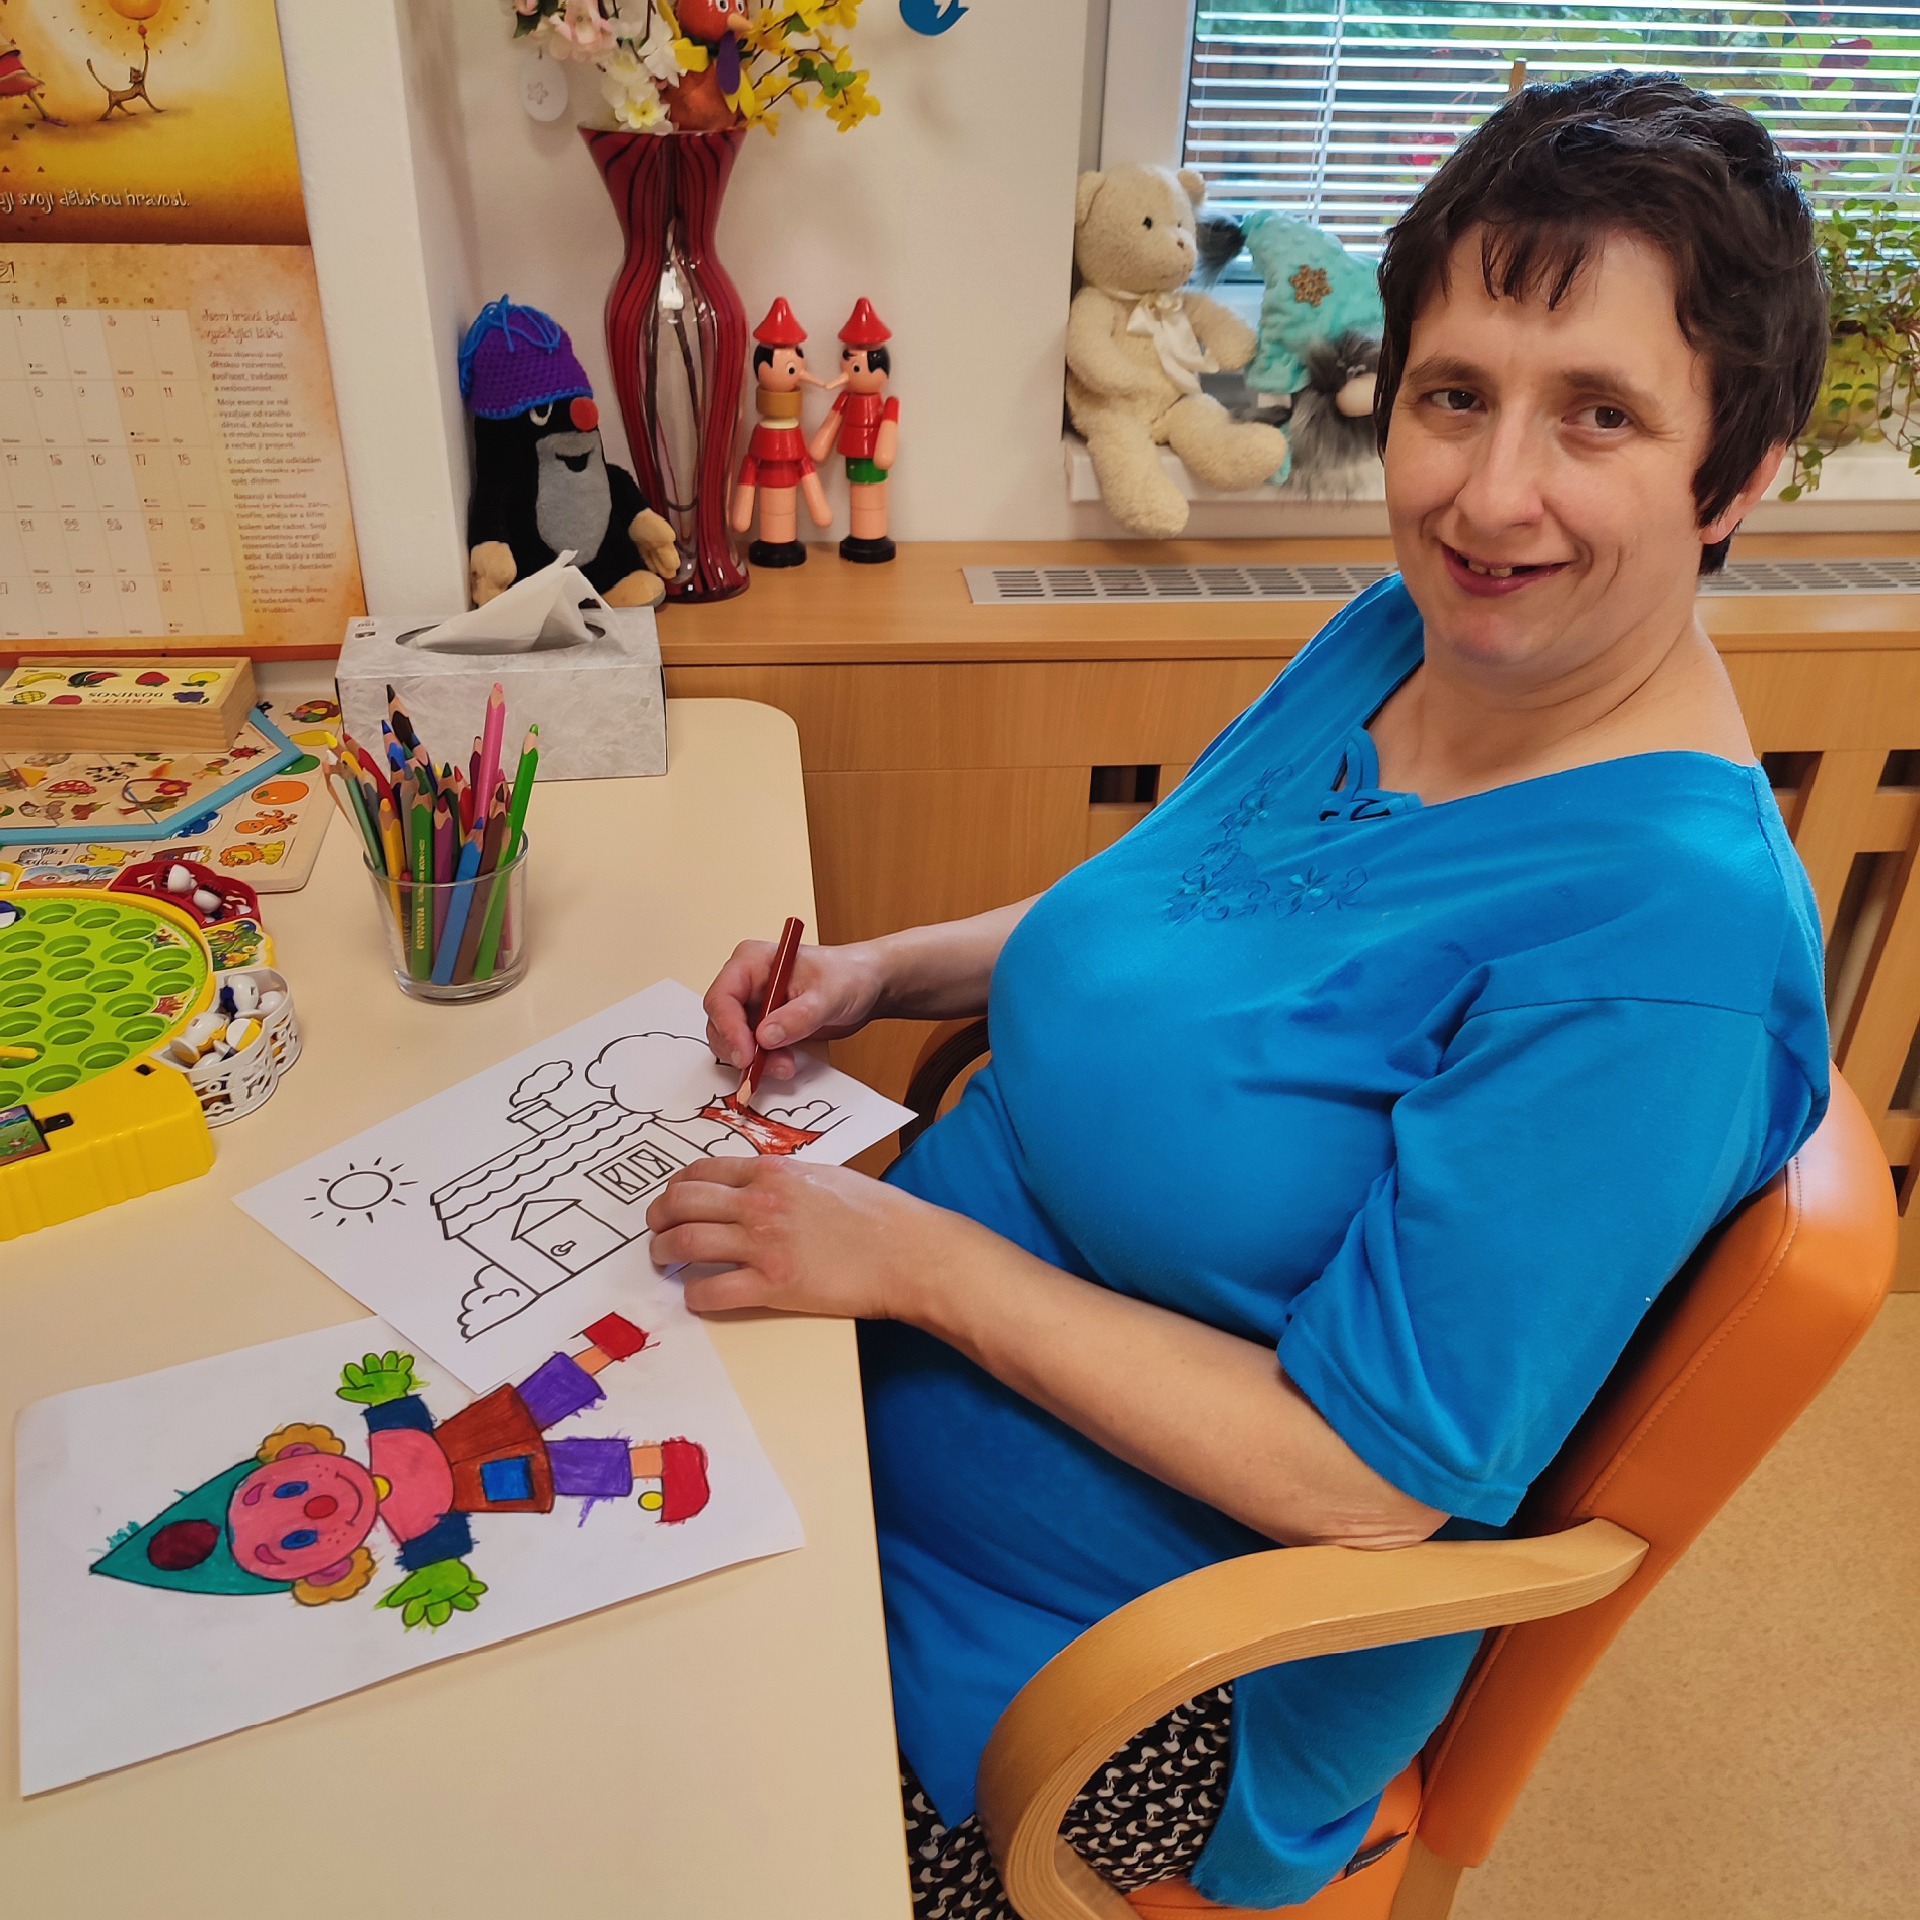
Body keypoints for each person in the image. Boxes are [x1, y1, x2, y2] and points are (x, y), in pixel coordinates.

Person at [649, 72, 1833, 1915]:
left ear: (1738, 474)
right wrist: (884, 971)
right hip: (852, 1390)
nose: (1490, 494)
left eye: (1601, 415)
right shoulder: (1410, 637)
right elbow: (1179, 911)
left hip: (1111, 1684)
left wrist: (912, 1265)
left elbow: (1366, 1482)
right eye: (1455, 395)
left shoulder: (1661, 952)